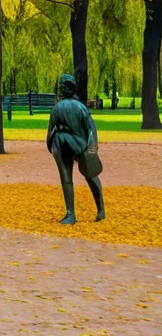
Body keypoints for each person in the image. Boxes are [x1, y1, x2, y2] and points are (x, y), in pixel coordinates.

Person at [47, 73, 105, 225]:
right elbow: (91, 129)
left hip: (62, 146)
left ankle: (70, 214)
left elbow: (49, 135)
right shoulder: (81, 108)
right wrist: (92, 150)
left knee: (66, 178)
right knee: (91, 174)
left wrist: (56, 136)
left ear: (61, 88)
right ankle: (101, 209)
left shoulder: (57, 109)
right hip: (81, 146)